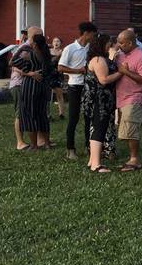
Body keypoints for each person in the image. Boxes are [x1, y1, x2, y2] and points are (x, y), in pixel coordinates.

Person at [82, 33, 122, 172]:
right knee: (99, 129)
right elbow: (104, 80)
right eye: (107, 44)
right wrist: (121, 73)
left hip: (101, 99)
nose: (109, 46)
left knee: (97, 128)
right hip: (100, 99)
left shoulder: (99, 59)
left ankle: (92, 160)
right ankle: (96, 164)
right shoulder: (98, 60)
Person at [58, 22, 97, 161]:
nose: (94, 37)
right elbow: (61, 68)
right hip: (74, 86)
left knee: (89, 117)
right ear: (86, 33)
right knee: (73, 118)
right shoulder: (70, 48)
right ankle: (70, 149)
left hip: (88, 86)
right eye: (93, 34)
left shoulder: (90, 48)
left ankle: (89, 147)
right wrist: (77, 71)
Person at [114, 29, 142, 171]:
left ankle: (134, 159)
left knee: (131, 128)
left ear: (130, 43)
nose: (119, 45)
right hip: (121, 97)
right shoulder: (120, 55)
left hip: (135, 97)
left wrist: (126, 72)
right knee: (124, 130)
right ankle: (131, 157)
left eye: (121, 42)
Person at [13, 33, 53, 151]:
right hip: (43, 86)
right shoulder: (46, 55)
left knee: (29, 115)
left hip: (30, 87)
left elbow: (13, 62)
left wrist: (22, 47)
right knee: (42, 115)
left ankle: (34, 145)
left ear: (34, 44)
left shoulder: (29, 55)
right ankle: (46, 143)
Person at [10, 26, 41, 150]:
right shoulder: (24, 48)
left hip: (27, 84)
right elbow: (13, 65)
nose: (42, 36)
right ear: (32, 35)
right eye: (40, 34)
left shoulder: (35, 47)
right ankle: (20, 142)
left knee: (31, 112)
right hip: (18, 84)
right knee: (20, 113)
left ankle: (39, 140)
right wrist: (30, 74)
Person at [49, 37, 65, 120]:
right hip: (49, 74)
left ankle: (61, 113)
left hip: (58, 74)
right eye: (54, 41)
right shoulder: (49, 51)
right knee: (48, 94)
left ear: (60, 43)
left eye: (58, 41)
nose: (56, 43)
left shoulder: (63, 52)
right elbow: (50, 62)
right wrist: (58, 56)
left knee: (59, 94)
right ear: (52, 43)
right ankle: (48, 113)